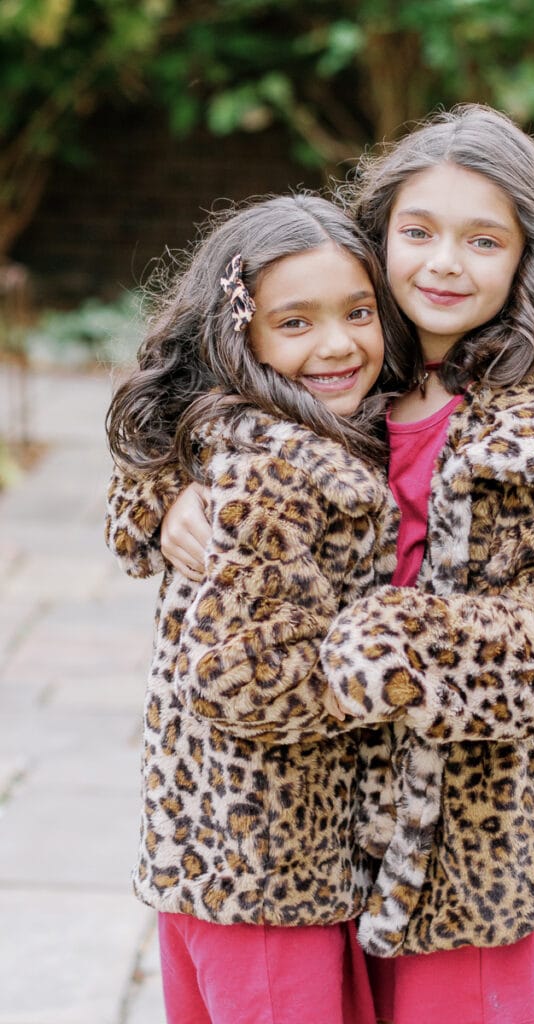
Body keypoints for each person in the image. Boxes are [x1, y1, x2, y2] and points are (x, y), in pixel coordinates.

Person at [160, 105, 534, 1024]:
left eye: (481, 239)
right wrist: (163, 499)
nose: (443, 262)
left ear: (529, 258)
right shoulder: (347, 366)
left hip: (467, 837)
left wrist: (396, 644)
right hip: (325, 823)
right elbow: (195, 428)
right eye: (417, 232)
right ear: (378, 237)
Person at [104, 192, 415, 1024]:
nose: (339, 344)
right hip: (266, 869)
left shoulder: (266, 435)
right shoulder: (275, 467)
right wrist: (407, 674)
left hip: (219, 852)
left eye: (358, 311)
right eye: (296, 323)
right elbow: (249, 682)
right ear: (235, 333)